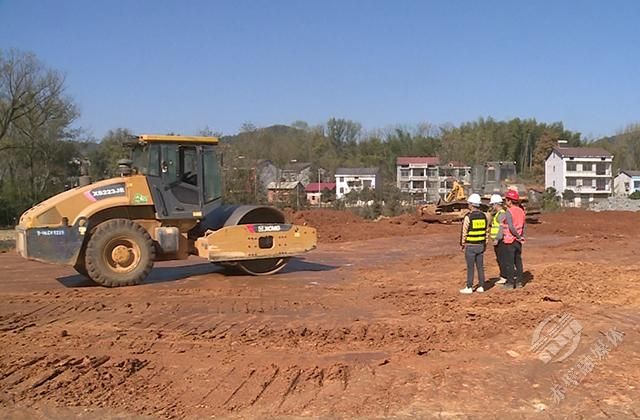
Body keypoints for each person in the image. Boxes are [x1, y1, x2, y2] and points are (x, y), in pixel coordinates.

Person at [460, 193, 488, 294]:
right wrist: (485, 243)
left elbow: (464, 232)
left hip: (471, 245)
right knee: (480, 267)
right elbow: (486, 231)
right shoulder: (484, 216)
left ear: (471, 204)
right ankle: (481, 286)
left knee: (470, 267)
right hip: (481, 245)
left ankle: (469, 287)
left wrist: (462, 244)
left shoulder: (468, 217)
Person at [501, 189, 526, 289]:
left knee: (509, 263)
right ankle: (519, 282)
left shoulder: (509, 211)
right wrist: (520, 236)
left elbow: (511, 227)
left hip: (510, 239)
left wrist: (517, 235)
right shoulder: (521, 211)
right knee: (518, 261)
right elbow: (523, 225)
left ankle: (510, 283)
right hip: (518, 241)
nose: (505, 202)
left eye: (506, 200)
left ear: (510, 201)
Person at [488, 194, 508, 284]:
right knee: (501, 258)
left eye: (493, 204)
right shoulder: (499, 214)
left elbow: (501, 228)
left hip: (500, 241)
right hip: (499, 240)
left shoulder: (501, 214)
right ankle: (504, 275)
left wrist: (497, 239)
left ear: (496, 204)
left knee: (502, 258)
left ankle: (504, 276)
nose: (492, 206)